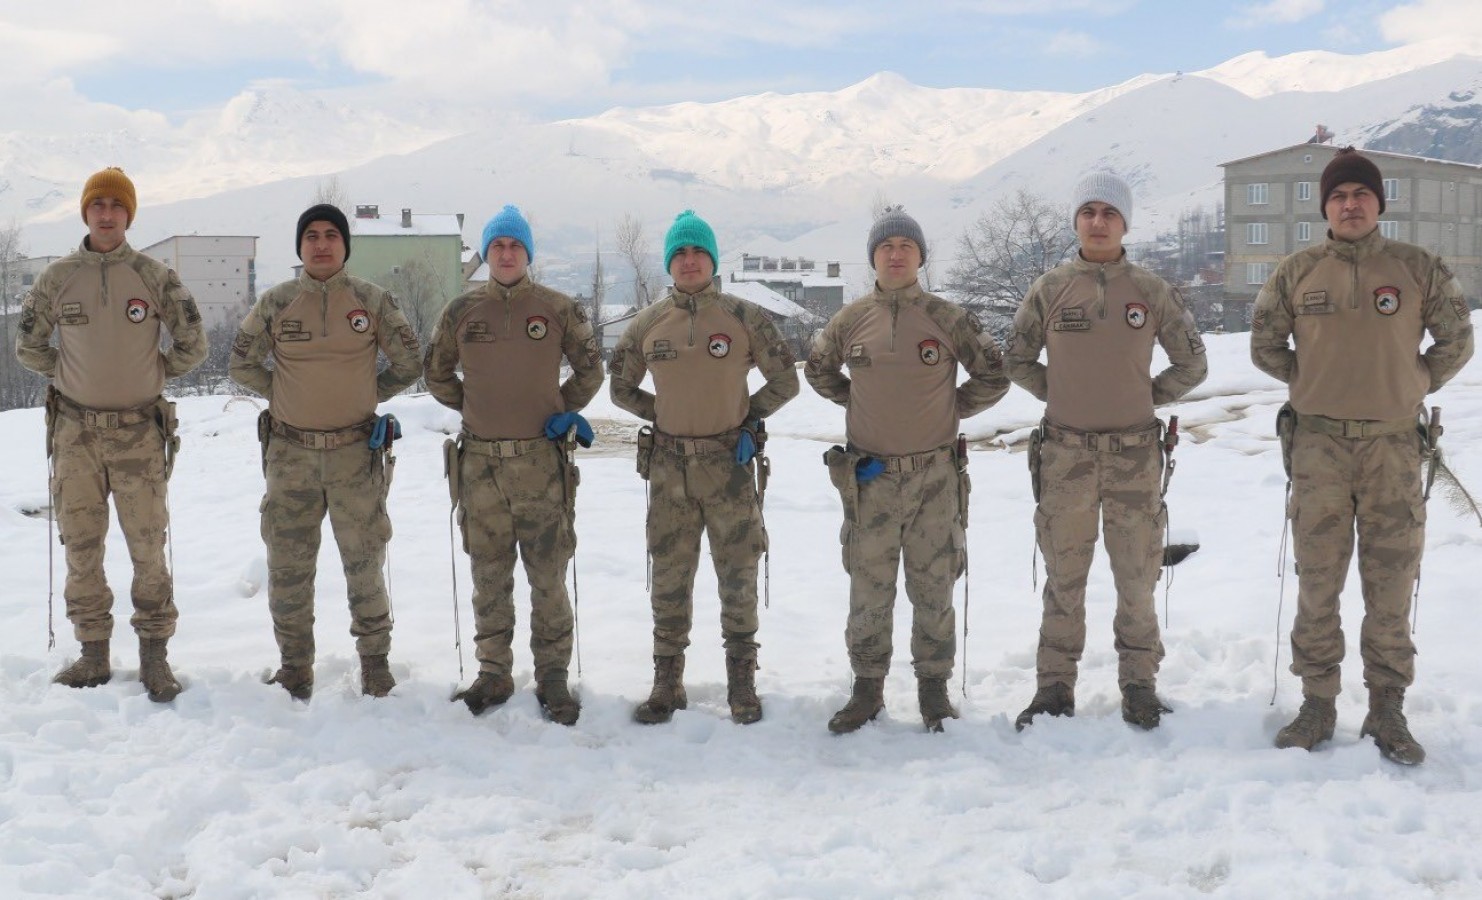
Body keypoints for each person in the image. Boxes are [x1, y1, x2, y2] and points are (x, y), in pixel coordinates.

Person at [1252, 147, 1474, 765]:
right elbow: (1265, 343)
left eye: (1361, 195)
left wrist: (1416, 381)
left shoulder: (1415, 266)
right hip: (1319, 446)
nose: (1350, 205)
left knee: (1391, 579)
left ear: (1379, 203)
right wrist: (1310, 380)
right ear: (1325, 206)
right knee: (1318, 579)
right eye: (1339, 196)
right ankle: (1317, 702)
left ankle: (1386, 707)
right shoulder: (1299, 270)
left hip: (1394, 447)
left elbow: (1457, 338)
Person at [1006, 172, 1207, 732]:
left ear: (1125, 224)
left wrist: (1147, 396)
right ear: (1076, 220)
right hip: (1065, 455)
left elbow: (1192, 362)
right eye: (1089, 211)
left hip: (1134, 456)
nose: (1098, 221)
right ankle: (1053, 688)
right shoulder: (1050, 288)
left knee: (1137, 577)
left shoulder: (1151, 290)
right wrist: (1061, 391)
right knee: (1063, 579)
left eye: (1109, 213)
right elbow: (1016, 358)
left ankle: (1139, 685)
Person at [806, 206, 1009, 734]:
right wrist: (857, 403)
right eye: (886, 246)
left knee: (934, 584)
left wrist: (951, 407)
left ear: (921, 257)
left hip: (935, 477)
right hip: (870, 477)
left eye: (906, 246)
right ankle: (867, 691)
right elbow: (818, 369)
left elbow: (994, 373)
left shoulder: (946, 318)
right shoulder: (851, 319)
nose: (896, 254)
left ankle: (934, 693)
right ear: (873, 257)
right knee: (868, 587)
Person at [16, 166, 208, 702]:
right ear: (85, 212)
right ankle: (93, 653)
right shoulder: (58, 278)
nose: (106, 214)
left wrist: (153, 371)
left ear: (129, 214)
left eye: (116, 206)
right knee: (81, 546)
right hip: (75, 434)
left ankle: (154, 656)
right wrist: (69, 372)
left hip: (138, 434)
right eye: (97, 204)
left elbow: (192, 341)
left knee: (148, 546)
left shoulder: (154, 276)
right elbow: (28, 347)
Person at [609, 210, 799, 725]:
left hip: (730, 468)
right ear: (669, 263)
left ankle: (743, 683)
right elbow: (620, 387)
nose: (689, 261)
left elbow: (786, 381)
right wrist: (661, 414)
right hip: (669, 470)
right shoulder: (649, 324)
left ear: (711, 260)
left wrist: (745, 417)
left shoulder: (742, 317)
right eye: (680, 253)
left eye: (698, 252)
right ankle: (666, 683)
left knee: (737, 574)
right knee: (669, 577)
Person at [229, 203, 422, 701]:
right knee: (289, 565)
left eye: (331, 234)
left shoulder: (370, 300)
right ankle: (295, 665)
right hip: (290, 455)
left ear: (344, 245)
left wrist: (367, 394)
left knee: (364, 562)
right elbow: (240, 362)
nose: (320, 243)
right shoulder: (276, 302)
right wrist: (281, 393)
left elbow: (409, 359)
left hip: (355, 453)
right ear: (299, 246)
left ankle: (375, 663)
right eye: (311, 235)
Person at [424, 205, 604, 725]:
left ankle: (552, 677)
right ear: (487, 254)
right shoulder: (461, 312)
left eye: (515, 246)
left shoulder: (556, 308)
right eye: (497, 246)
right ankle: (494, 672)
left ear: (528, 253)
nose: (506, 254)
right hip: (480, 466)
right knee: (489, 574)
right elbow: (436, 372)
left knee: (548, 574)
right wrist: (473, 405)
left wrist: (560, 407)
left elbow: (591, 368)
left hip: (540, 465)